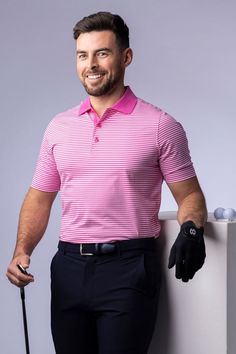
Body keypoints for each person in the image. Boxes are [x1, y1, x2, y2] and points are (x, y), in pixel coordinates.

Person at [6, 11, 207, 354]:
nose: (91, 64)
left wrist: (191, 229)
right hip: (68, 267)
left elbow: (190, 195)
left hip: (129, 270)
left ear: (125, 57)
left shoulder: (160, 126)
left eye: (102, 53)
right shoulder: (59, 127)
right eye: (82, 55)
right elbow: (40, 197)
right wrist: (22, 250)